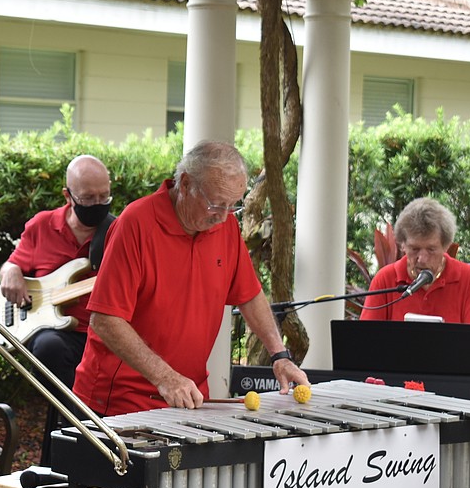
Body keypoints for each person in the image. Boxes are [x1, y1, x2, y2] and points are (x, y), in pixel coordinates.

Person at [73, 140, 309, 417]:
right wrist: (166, 377)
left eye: (233, 206)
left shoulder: (226, 227)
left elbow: (250, 294)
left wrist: (279, 354)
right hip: (121, 401)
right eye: (215, 204)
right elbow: (105, 320)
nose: (222, 217)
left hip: (188, 397)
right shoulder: (135, 224)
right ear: (185, 184)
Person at [0, 154, 113, 408]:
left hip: (102, 335)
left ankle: (80, 424)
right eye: (88, 198)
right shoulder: (43, 225)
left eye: (104, 196)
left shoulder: (118, 232)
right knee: (49, 348)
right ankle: (79, 421)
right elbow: (13, 265)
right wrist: (10, 271)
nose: (97, 204)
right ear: (67, 196)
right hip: (57, 335)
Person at [360, 197, 470, 322]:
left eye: (431, 249)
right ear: (402, 245)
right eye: (414, 249)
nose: (422, 259)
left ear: (446, 246)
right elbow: (367, 338)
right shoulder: (385, 280)